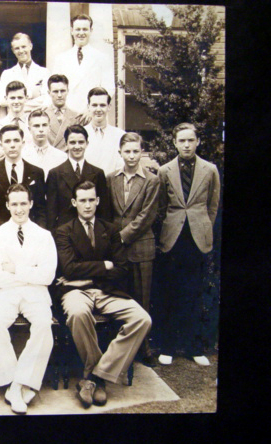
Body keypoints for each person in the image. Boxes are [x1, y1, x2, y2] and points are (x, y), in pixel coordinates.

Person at [55, 180, 151, 409]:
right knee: (77, 313)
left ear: (97, 201)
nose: (87, 205)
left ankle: (95, 376)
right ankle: (96, 378)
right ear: (74, 202)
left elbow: (122, 268)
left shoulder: (111, 229)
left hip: (106, 291)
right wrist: (104, 266)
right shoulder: (64, 231)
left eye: (91, 200)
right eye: (83, 200)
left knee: (142, 319)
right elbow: (69, 268)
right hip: (75, 291)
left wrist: (89, 277)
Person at [0, 183, 57, 414]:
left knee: (44, 325)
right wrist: (30, 272)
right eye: (14, 204)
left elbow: (47, 276)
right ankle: (17, 382)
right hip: (4, 293)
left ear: (31, 204)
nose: (19, 209)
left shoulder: (44, 236)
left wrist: (15, 269)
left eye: (23, 203)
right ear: (7, 205)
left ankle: (17, 385)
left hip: (36, 294)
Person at [155, 123, 220, 366]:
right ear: (174, 143)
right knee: (170, 292)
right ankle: (168, 347)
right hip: (173, 238)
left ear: (197, 142)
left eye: (190, 140)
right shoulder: (165, 171)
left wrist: (203, 226)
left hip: (197, 238)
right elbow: (161, 206)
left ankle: (194, 347)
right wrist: (171, 226)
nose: (186, 145)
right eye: (181, 140)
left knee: (194, 292)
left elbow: (213, 205)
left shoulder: (210, 170)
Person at [108, 133, 160, 366]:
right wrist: (112, 239)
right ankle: (120, 348)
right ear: (120, 152)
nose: (131, 156)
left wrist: (122, 236)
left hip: (140, 247)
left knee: (142, 299)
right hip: (116, 251)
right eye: (127, 151)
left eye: (136, 151)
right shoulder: (111, 178)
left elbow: (147, 216)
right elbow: (109, 213)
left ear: (142, 152)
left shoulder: (151, 180)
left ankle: (144, 347)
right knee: (119, 297)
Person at [0, 124, 46, 239]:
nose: (12, 145)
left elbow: (41, 210)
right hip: (0, 235)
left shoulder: (36, 172)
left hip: (30, 234)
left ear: (23, 143)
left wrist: (38, 235)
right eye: (7, 141)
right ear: (1, 145)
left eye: (16, 140)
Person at [46, 125, 110, 232]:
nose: (77, 146)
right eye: (72, 142)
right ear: (66, 144)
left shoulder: (98, 173)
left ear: (87, 144)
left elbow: (104, 211)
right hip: (65, 233)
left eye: (81, 142)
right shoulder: (55, 174)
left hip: (91, 231)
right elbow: (51, 212)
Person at [53, 14, 115, 123]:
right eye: (78, 29)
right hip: (68, 116)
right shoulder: (60, 59)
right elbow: (55, 88)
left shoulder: (102, 58)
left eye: (85, 29)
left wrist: (91, 109)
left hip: (93, 115)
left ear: (91, 31)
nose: (81, 33)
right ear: (72, 31)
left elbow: (109, 89)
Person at [0, 33, 49, 115]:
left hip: (36, 119)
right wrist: (31, 94)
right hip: (15, 119)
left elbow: (47, 99)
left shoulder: (44, 72)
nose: (21, 51)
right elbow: (1, 100)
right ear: (13, 51)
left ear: (30, 46)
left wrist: (16, 103)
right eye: (17, 48)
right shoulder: (7, 74)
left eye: (23, 47)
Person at [84, 87, 126, 175]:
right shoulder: (81, 134)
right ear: (88, 107)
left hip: (112, 182)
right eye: (94, 105)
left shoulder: (120, 135)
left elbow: (122, 165)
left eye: (102, 105)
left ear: (109, 107)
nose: (98, 109)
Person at [21, 109, 67, 179]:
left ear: (49, 128)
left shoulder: (62, 157)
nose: (41, 129)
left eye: (44, 125)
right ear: (29, 129)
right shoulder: (22, 155)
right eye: (36, 126)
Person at [45, 74, 81, 152]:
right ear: (49, 93)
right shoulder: (42, 116)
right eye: (55, 91)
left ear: (68, 91)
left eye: (62, 91)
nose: (59, 95)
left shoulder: (77, 117)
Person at [0, 81, 31, 146]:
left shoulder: (33, 125)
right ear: (6, 99)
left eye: (20, 98)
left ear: (26, 98)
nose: (16, 101)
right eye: (12, 98)